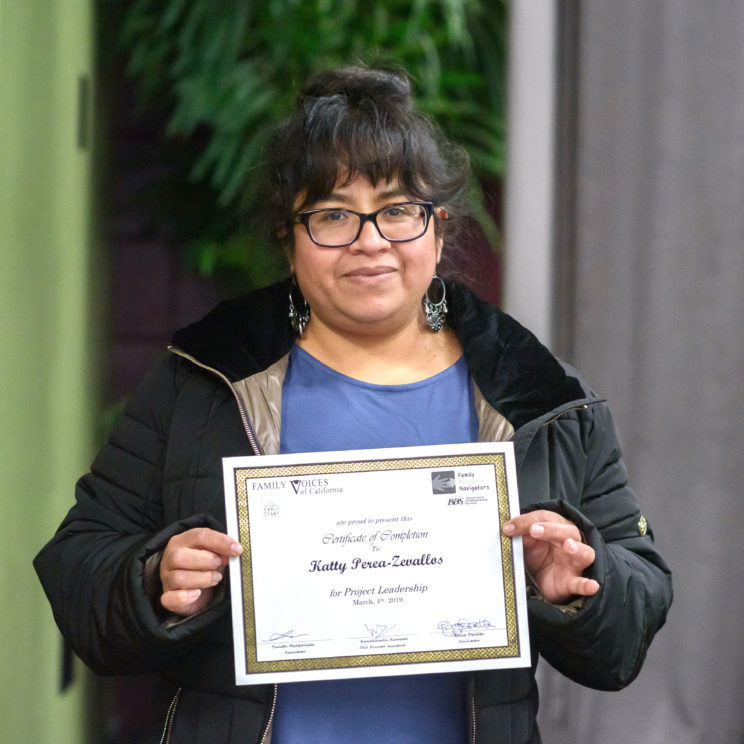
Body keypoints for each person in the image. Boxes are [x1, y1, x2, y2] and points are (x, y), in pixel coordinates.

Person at [34, 65, 672, 743]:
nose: (370, 241)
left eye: (397, 210)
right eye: (334, 214)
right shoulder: (205, 379)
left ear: (438, 226)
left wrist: (576, 581)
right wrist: (154, 580)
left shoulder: (548, 400)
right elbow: (78, 568)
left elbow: (630, 627)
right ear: (289, 236)